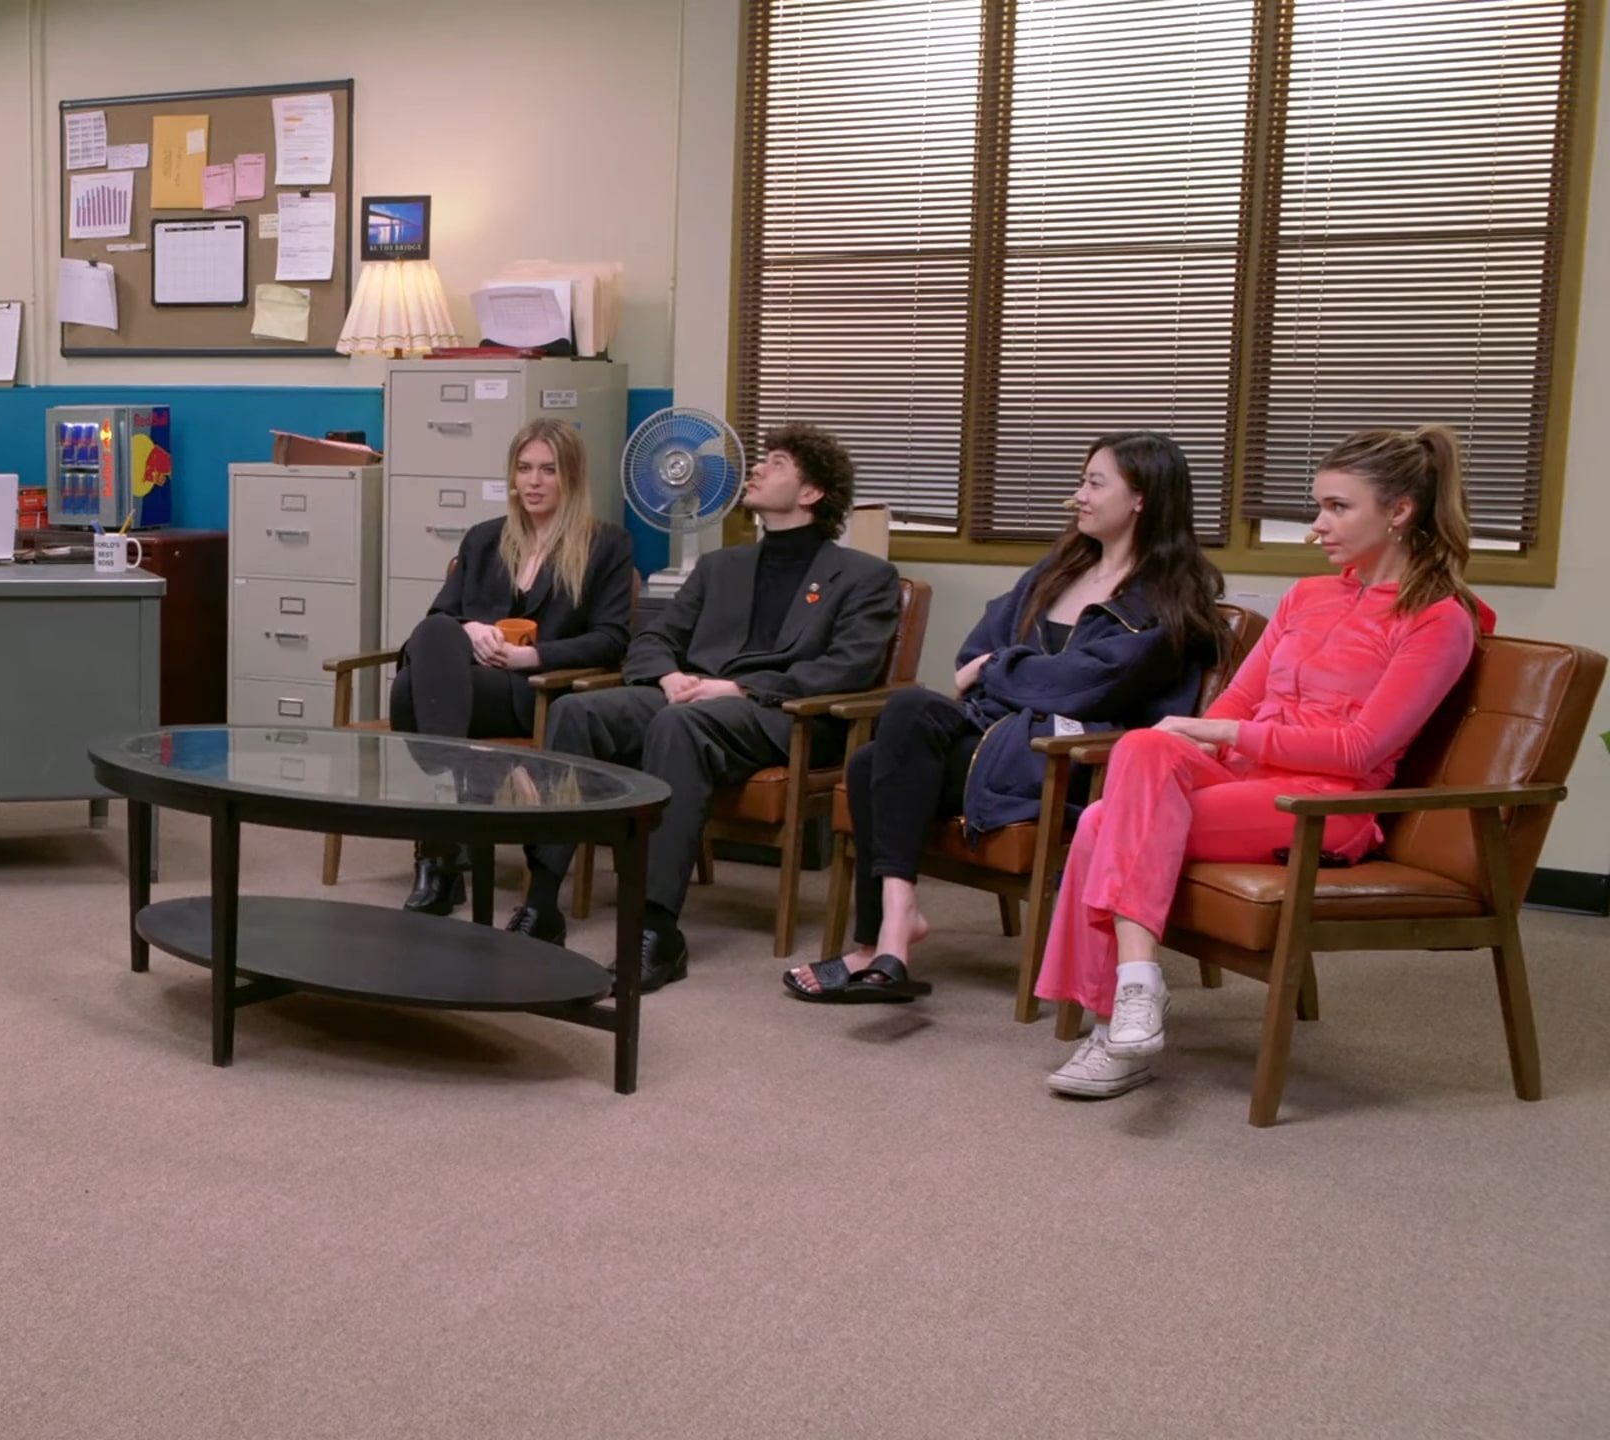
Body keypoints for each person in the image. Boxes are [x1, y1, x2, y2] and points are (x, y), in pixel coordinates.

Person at [1039, 425, 1496, 1099]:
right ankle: (1136, 990)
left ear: (1399, 511)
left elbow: (1361, 748)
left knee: (1104, 821)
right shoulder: (1306, 596)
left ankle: (1118, 1024)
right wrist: (1198, 737)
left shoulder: (1438, 619)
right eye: (1319, 506)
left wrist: (1223, 731)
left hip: (1324, 805)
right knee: (1142, 745)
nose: (1318, 525)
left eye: (1338, 507)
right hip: (1247, 784)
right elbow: (1241, 701)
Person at [787, 432, 1226, 1003]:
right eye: (1082, 481)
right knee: (895, 727)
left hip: (1070, 759)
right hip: (997, 732)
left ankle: (882, 940)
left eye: (1095, 484)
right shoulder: (1060, 568)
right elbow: (973, 652)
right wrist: (1010, 673)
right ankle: (892, 929)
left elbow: (1082, 686)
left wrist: (1000, 669)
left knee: (878, 760)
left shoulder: (1168, 601)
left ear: (1141, 498)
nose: (1079, 496)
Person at [505, 423, 901, 991]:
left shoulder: (866, 576)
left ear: (812, 492)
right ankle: (542, 904)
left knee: (680, 725)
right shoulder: (719, 567)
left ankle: (656, 930)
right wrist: (667, 676)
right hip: (690, 697)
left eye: (777, 463)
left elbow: (848, 668)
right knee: (576, 712)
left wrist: (738, 689)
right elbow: (651, 638)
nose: (757, 468)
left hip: (782, 716)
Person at [392, 418, 634, 915]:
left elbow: (611, 639)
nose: (534, 482)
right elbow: (440, 618)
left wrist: (531, 656)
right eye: (524, 468)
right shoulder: (484, 539)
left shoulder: (605, 544)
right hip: (468, 685)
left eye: (549, 469)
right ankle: (448, 838)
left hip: (535, 690)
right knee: (435, 631)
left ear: (572, 476)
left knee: (407, 690)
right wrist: (469, 630)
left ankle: (441, 844)